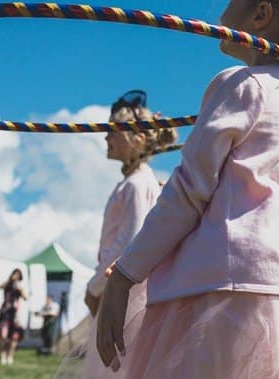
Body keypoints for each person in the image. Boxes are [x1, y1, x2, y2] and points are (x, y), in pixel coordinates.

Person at [94, 0, 279, 377]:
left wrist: (126, 274)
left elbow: (188, 190)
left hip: (229, 288)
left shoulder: (240, 83)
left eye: (231, 0)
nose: (220, 14)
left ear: (260, 15)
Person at [60, 90, 174, 378]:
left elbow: (129, 240)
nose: (106, 137)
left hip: (125, 293)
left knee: (117, 367)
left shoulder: (137, 184)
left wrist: (96, 286)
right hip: (120, 287)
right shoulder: (133, 182)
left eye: (113, 131)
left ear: (135, 137)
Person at [0, 268, 28, 366]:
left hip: (14, 315)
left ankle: (10, 356)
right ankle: (2, 355)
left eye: (18, 276)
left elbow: (25, 297)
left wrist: (19, 288)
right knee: (3, 336)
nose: (16, 277)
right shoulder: (7, 284)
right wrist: (10, 282)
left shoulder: (19, 288)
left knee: (14, 337)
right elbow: (0, 286)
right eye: (15, 274)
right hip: (5, 313)